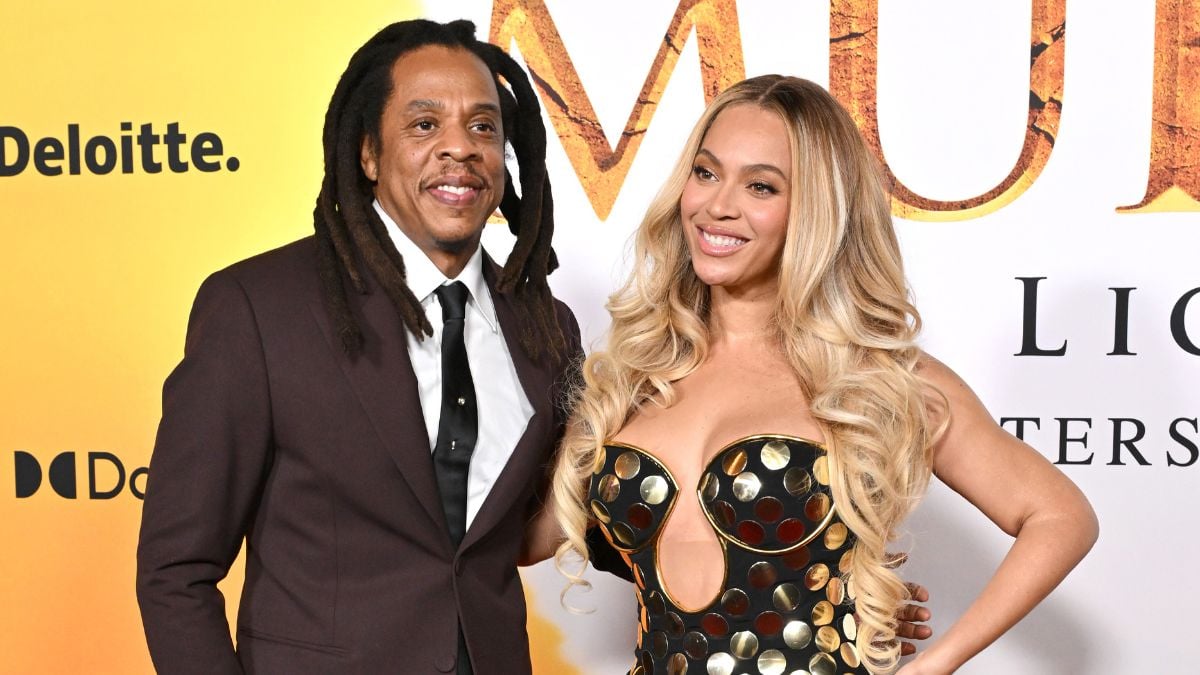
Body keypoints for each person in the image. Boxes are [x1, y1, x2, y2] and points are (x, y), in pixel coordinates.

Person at [541, 75, 1098, 675]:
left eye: (761, 186)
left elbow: (1061, 517)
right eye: (705, 173)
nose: (717, 204)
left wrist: (935, 665)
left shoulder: (878, 376)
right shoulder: (637, 374)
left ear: (816, 209)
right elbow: (524, 539)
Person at [135, 19, 580, 674]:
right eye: (425, 124)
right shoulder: (259, 309)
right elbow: (176, 572)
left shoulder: (546, 327)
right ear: (368, 153)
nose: (460, 147)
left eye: (484, 126)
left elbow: (506, 538)